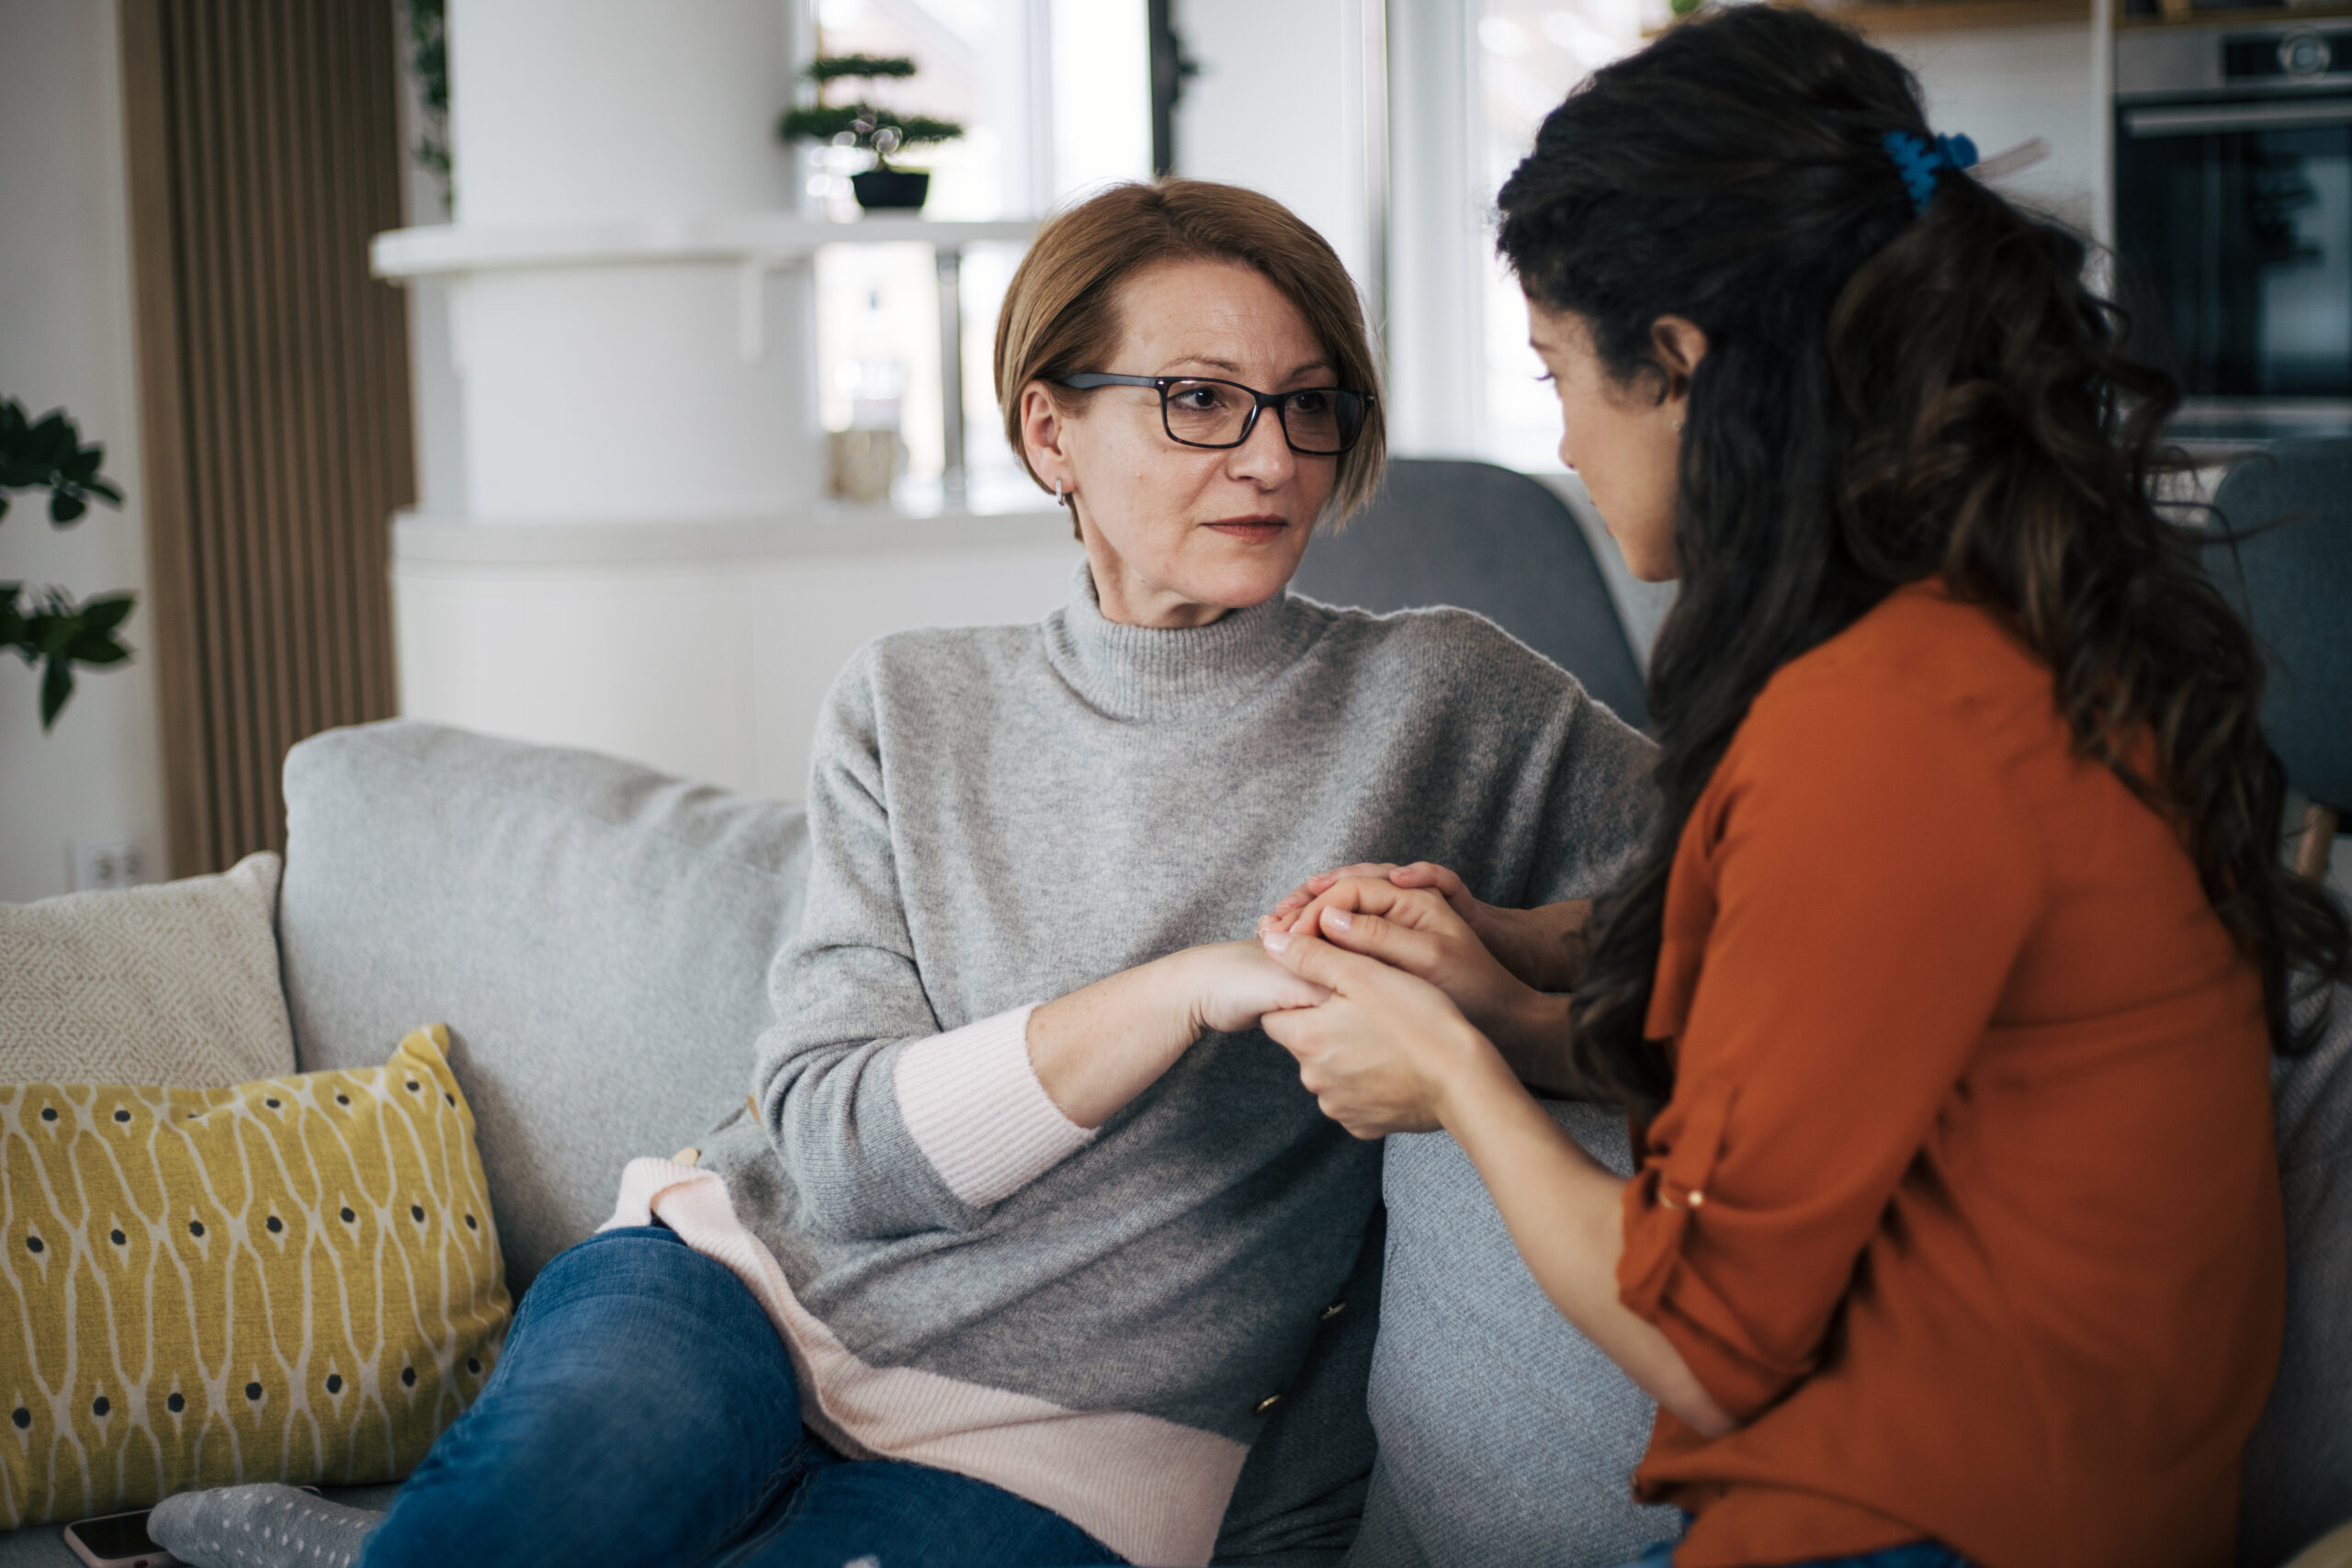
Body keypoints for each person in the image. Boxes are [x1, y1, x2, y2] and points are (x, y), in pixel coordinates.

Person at [317, 180, 1653, 1568]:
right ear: (1048, 426)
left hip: (1079, 1451)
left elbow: (1756, 895)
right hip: (739, 1294)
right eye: (1200, 399)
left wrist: (1501, 960)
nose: (1270, 459)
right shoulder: (912, 702)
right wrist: (1185, 990)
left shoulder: (1449, 701)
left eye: (1309, 405)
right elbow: (839, 1151)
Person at [1253, 10, 2352, 1568]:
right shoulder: (1990, 649)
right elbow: (1841, 1031)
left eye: (1560, 371)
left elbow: (1706, 1342)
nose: (1562, 440)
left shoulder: (1885, 729)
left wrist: (1449, 1075)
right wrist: (1514, 962)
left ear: (1683, 366)